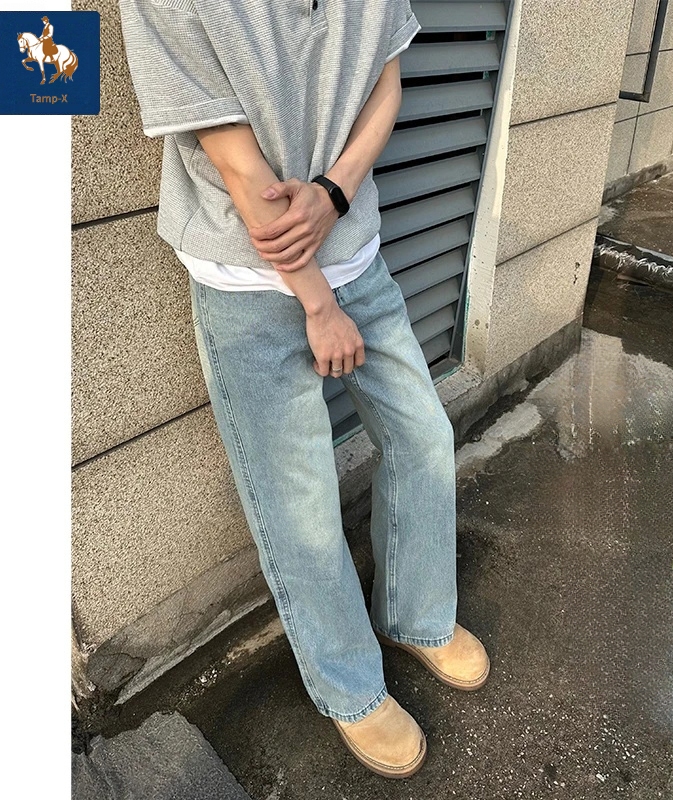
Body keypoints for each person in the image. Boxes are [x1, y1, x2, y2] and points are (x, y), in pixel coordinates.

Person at [118, 0, 489, 778]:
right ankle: (350, 688)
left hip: (360, 254)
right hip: (248, 286)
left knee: (423, 435)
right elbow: (238, 166)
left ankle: (417, 617)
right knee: (301, 505)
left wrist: (335, 190)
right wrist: (319, 305)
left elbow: (385, 79)